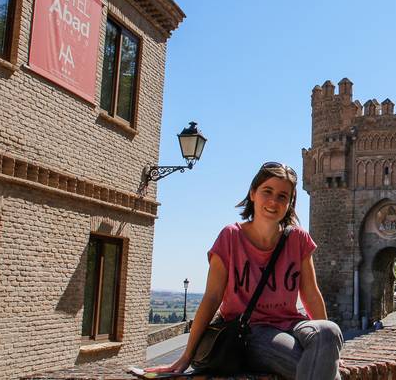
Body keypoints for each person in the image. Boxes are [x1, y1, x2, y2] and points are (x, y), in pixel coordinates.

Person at [146, 162, 343, 379]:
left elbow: (311, 293)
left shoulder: (298, 239)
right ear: (252, 193)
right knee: (309, 364)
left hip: (293, 324)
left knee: (329, 331)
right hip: (251, 332)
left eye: (282, 196)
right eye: (267, 191)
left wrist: (330, 350)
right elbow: (212, 298)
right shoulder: (230, 237)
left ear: (290, 203)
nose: (273, 201)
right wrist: (186, 356)